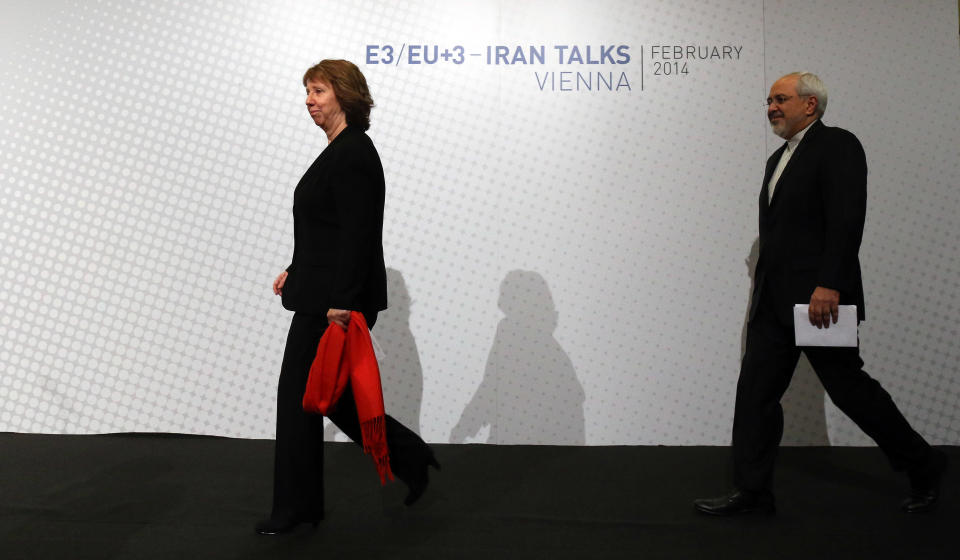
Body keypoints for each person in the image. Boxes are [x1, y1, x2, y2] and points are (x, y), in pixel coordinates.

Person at [693, 72, 946, 516]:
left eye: (781, 99)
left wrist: (830, 283)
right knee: (754, 394)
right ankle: (753, 492)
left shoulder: (839, 145)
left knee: (849, 389)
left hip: (818, 300)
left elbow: (848, 219)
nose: (771, 107)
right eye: (768, 100)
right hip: (773, 306)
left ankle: (923, 463)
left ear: (810, 105)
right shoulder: (777, 160)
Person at [256, 59, 439, 536]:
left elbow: (360, 234)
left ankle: (296, 508)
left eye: (318, 90)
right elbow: (328, 229)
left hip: (335, 302)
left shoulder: (354, 152)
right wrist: (294, 269)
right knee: (322, 397)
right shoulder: (337, 151)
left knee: (303, 398)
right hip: (321, 293)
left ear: (344, 94)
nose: (309, 100)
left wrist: (342, 301)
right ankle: (407, 458)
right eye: (307, 92)